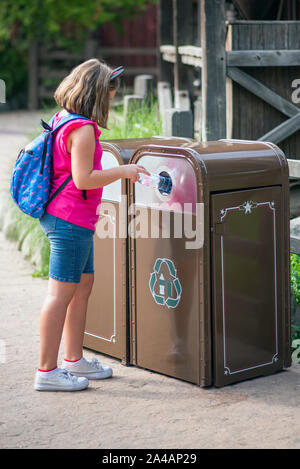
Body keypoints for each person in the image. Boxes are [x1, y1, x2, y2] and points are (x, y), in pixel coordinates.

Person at [34, 59, 149, 391]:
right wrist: (124, 171)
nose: (112, 99)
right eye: (110, 93)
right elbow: (83, 179)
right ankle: (47, 372)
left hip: (73, 219)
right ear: (98, 94)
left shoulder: (64, 119)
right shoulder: (82, 129)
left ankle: (74, 358)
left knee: (82, 287)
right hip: (68, 220)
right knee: (60, 295)